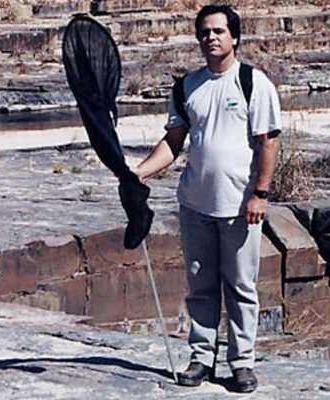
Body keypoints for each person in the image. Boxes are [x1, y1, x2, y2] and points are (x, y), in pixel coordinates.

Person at [132, 4, 281, 393]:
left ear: (234, 37)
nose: (210, 38)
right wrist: (139, 172)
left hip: (240, 207)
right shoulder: (186, 87)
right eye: (204, 32)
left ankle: (242, 363)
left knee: (241, 287)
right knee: (200, 286)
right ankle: (201, 359)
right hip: (196, 205)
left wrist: (260, 194)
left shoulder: (253, 83)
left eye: (218, 31)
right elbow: (173, 142)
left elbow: (268, 142)